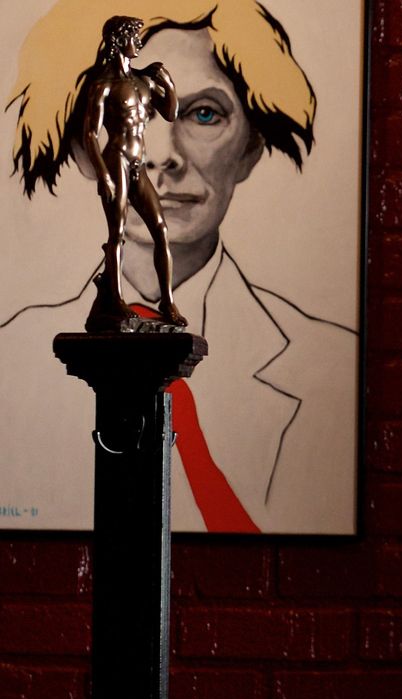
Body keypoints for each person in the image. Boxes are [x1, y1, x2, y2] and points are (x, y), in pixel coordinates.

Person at [1, 0, 355, 534]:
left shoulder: (327, 357)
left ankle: (166, 305)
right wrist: (111, 170)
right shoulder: (11, 348)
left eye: (206, 114)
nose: (163, 155)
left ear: (252, 145)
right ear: (75, 149)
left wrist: (164, 87)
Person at [79, 15, 187, 331]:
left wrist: (169, 84)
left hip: (139, 164)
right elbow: (90, 134)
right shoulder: (103, 85)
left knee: (160, 229)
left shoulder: (144, 81)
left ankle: (167, 302)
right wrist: (103, 175)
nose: (139, 42)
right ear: (118, 41)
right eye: (133, 37)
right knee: (118, 232)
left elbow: (171, 114)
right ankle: (115, 299)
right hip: (117, 161)